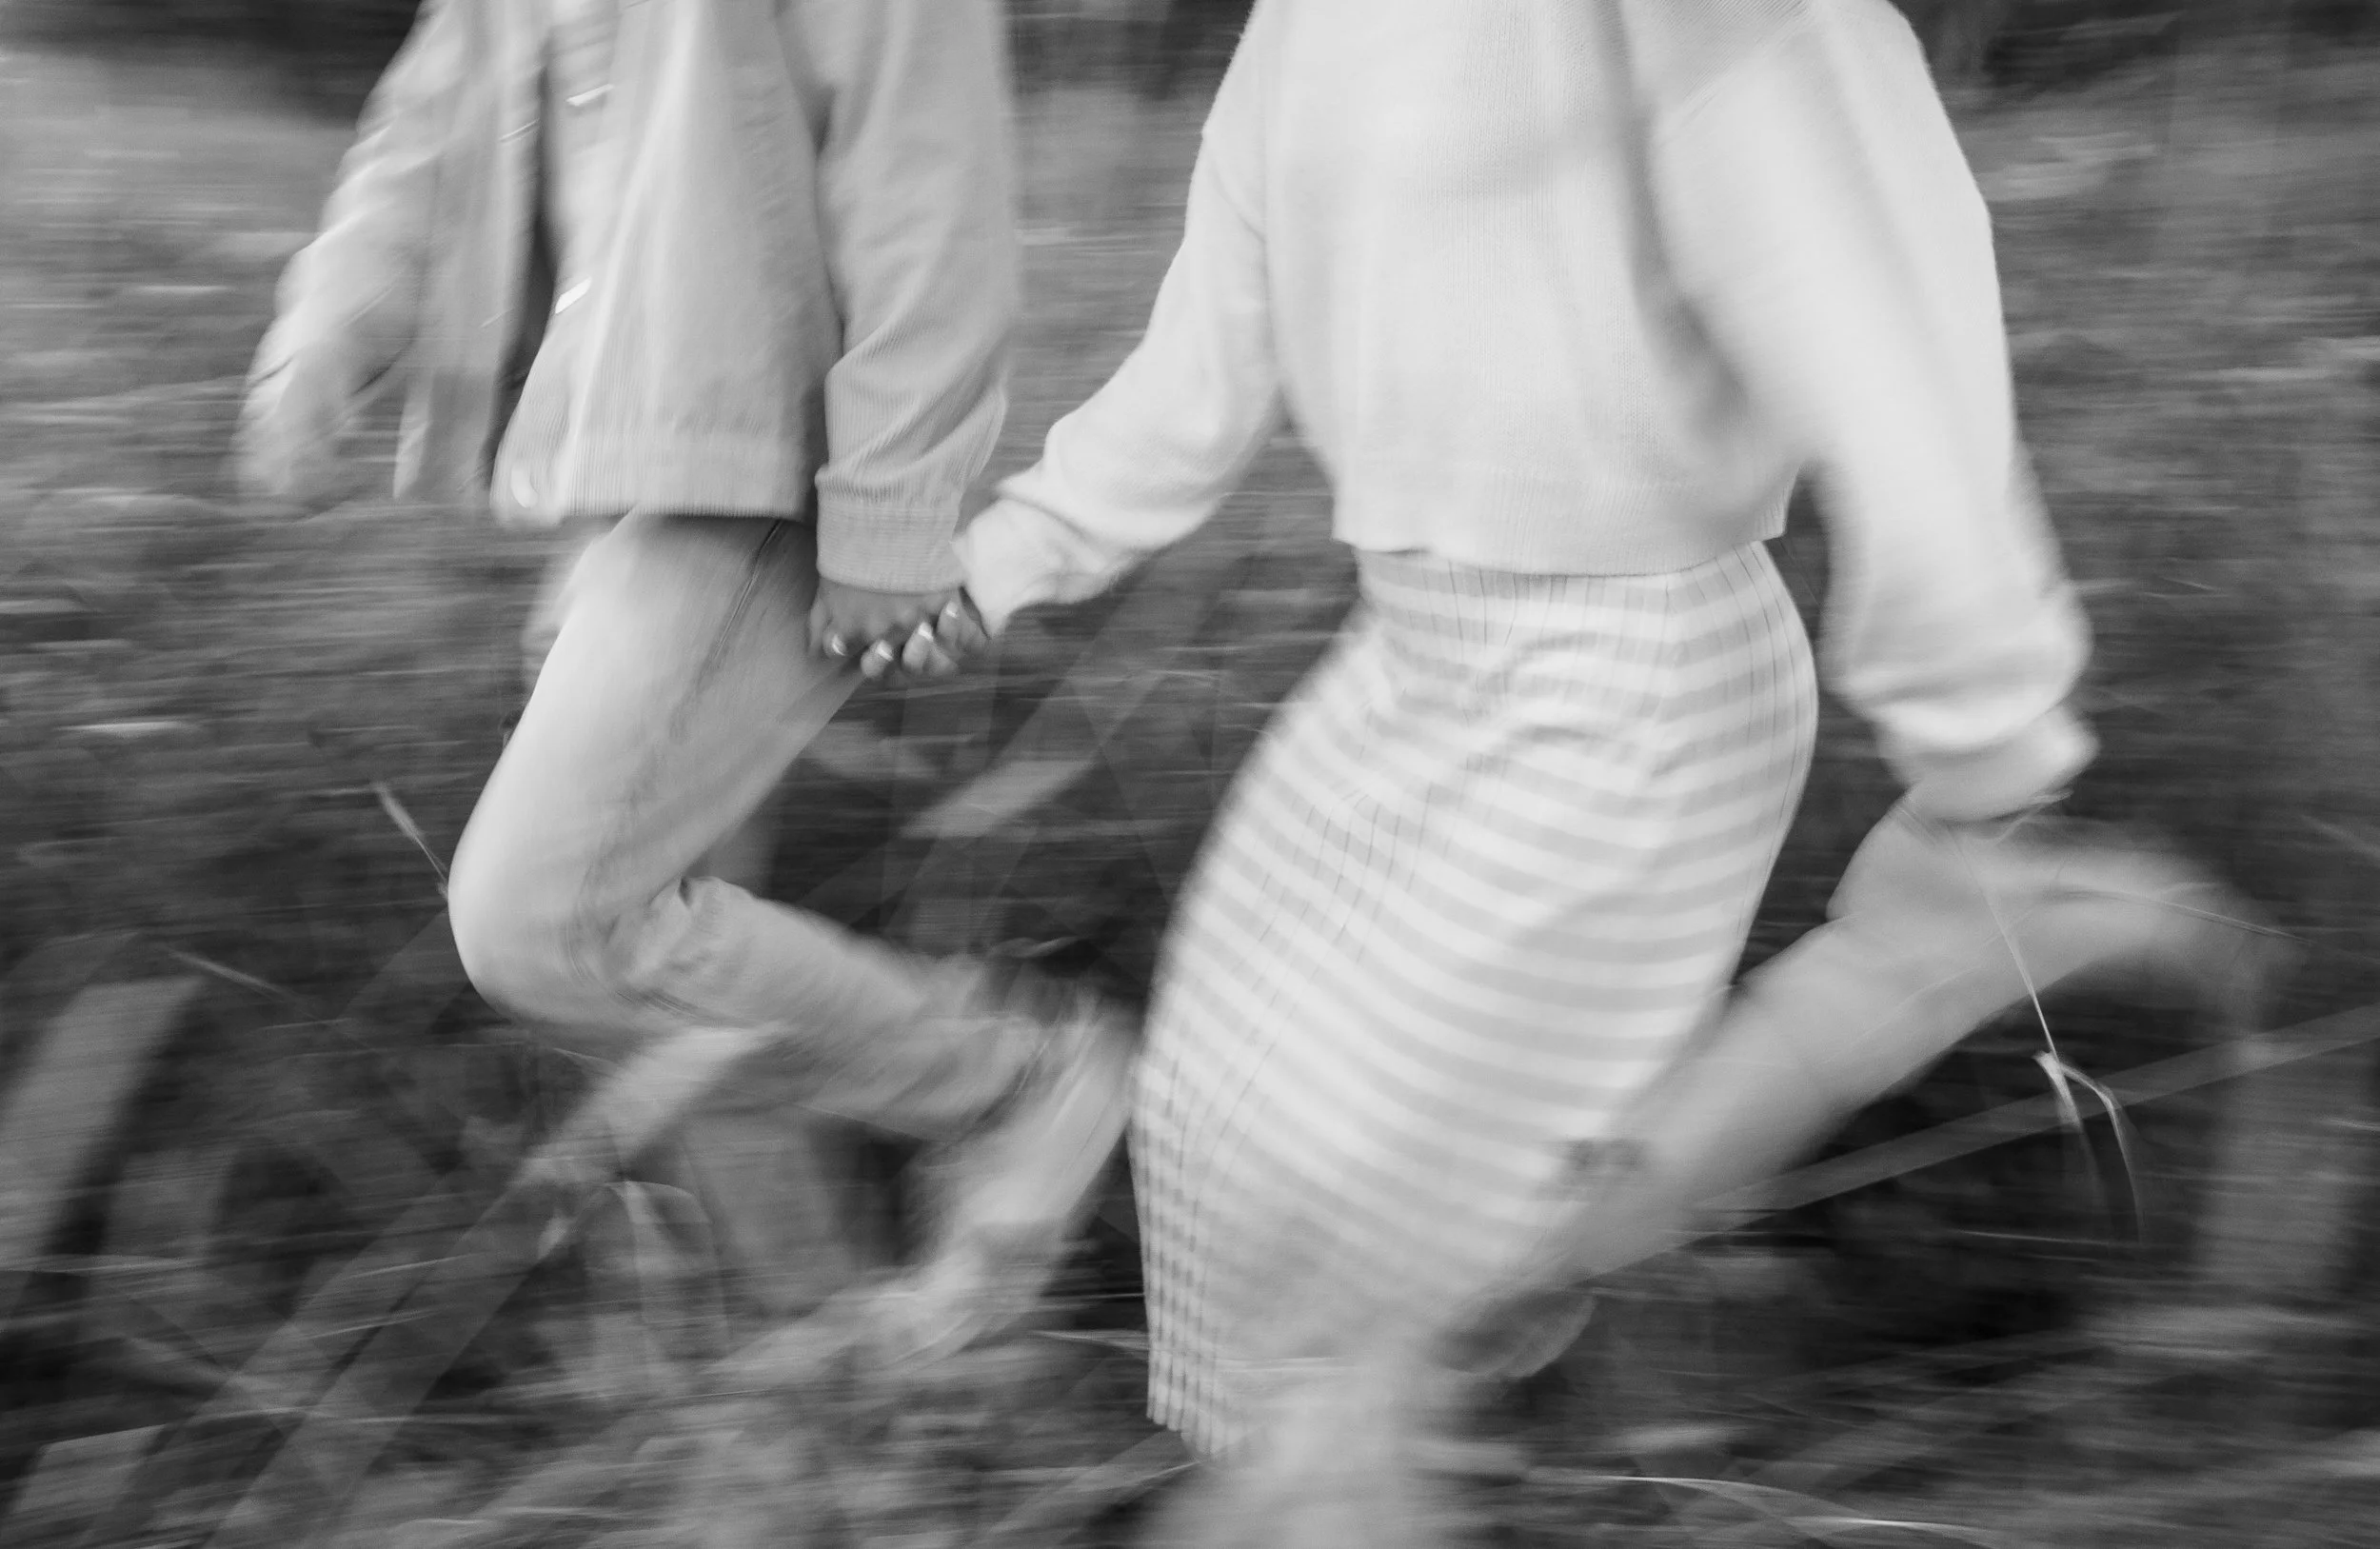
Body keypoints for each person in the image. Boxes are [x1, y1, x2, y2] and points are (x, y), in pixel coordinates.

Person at [949, 0, 2136, 1539]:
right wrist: (996, 564)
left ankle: (1941, 961)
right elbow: (1202, 360)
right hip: (1404, 659)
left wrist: (1980, 748)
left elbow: (1891, 346)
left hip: (1634, 688)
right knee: (1225, 1148)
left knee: (1382, 1256)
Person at [233, 0, 1129, 1361]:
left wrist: (890, 505)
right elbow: (434, 122)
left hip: (770, 460)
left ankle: (1023, 1081)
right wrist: (327, 334)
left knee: (550, 921)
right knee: (682, 958)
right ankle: (842, 1363)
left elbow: (927, 180)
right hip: (618, 463)